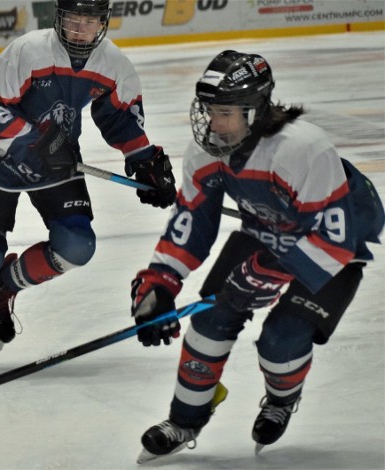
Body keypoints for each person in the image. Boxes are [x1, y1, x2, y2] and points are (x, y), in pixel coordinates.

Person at [128, 50, 384, 462]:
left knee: (281, 341)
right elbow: (191, 224)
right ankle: (184, 418)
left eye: (225, 112)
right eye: (209, 110)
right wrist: (161, 280)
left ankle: (281, 400)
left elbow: (336, 240)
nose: (213, 122)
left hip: (336, 244)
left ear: (255, 110)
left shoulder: (304, 149)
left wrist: (265, 270)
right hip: (266, 231)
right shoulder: (208, 151)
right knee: (210, 319)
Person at [0, 0, 177, 381]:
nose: (81, 30)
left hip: (59, 161)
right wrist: (35, 141)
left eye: (89, 21)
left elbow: (119, 116)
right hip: (1, 158)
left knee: (77, 245)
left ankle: (2, 287)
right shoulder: (29, 51)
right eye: (74, 20)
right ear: (59, 18)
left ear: (102, 23)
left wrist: (145, 159)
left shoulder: (113, 64)